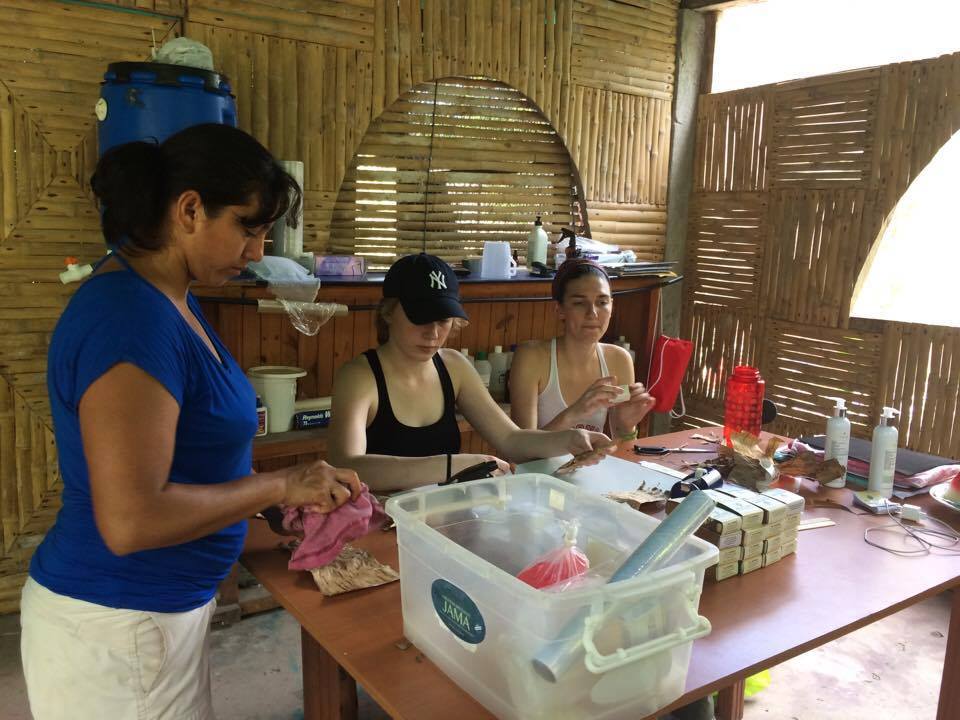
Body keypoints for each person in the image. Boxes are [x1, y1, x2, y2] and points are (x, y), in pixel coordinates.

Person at [20, 123, 361, 720]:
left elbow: (194, 466)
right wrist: (282, 484)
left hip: (155, 616)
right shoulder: (130, 318)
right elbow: (132, 519)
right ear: (189, 209)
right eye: (248, 228)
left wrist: (275, 520)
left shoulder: (173, 298)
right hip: (119, 626)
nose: (257, 251)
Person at [327, 253, 612, 493]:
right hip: (381, 520)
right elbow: (347, 465)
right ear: (388, 312)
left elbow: (512, 441)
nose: (433, 333)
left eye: (442, 320)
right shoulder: (359, 377)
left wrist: (569, 440)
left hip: (442, 517)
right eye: (420, 319)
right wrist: (451, 465)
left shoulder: (453, 366)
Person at [509, 258, 656, 441]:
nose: (592, 313)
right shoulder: (531, 357)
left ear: (612, 306)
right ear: (560, 309)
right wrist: (576, 412)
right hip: (538, 470)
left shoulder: (619, 359)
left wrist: (626, 427)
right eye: (579, 303)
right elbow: (520, 450)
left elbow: (622, 453)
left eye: (602, 302)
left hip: (591, 468)